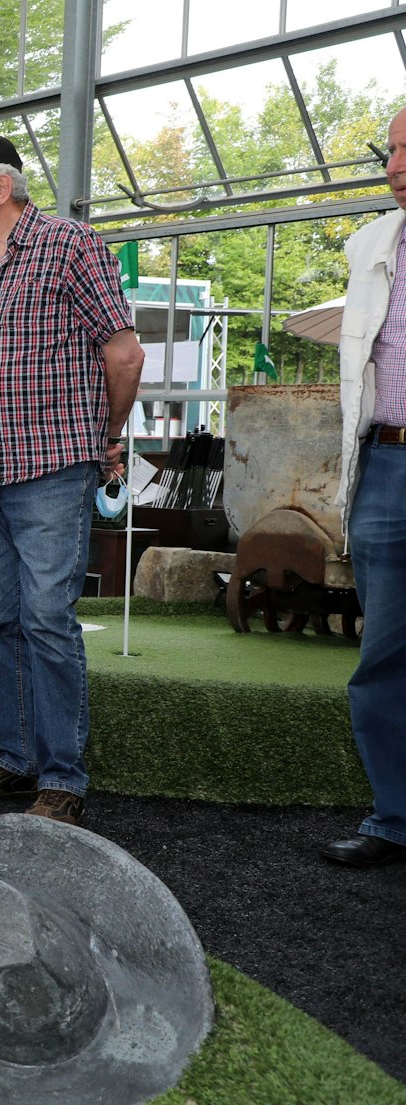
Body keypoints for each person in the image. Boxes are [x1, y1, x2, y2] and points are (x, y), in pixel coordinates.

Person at [0, 134, 143, 828]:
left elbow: (124, 352)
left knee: (45, 617)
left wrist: (106, 438)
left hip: (50, 467)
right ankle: (12, 758)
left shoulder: (71, 246)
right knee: (4, 619)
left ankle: (63, 774)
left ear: (0, 188)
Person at [322, 104, 406, 867]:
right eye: (392, 150)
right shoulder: (371, 245)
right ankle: (393, 818)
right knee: (383, 651)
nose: (394, 164)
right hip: (386, 462)